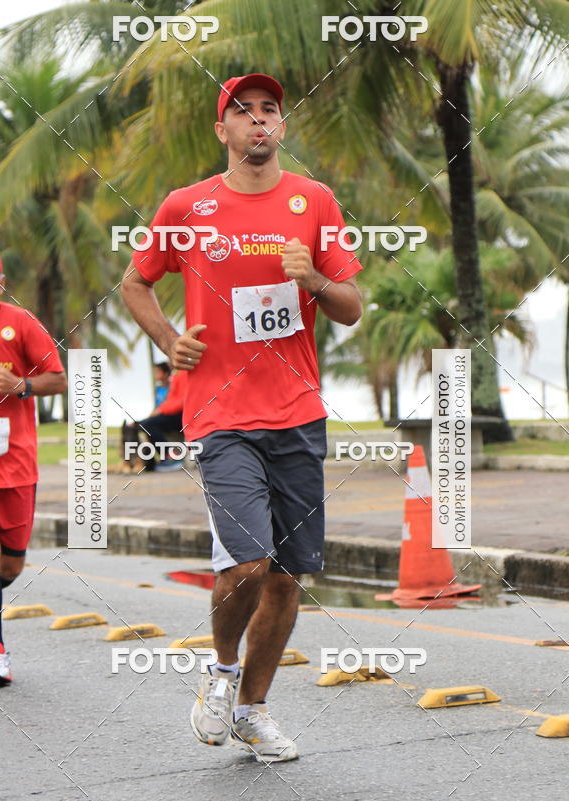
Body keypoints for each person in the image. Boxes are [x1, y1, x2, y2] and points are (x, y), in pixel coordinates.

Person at [121, 73, 362, 762]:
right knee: (248, 564)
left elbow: (350, 304)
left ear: (281, 127)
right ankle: (222, 672)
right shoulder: (186, 207)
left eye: (270, 111)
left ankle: (254, 711)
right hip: (220, 414)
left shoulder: (312, 201)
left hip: (297, 412)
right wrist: (170, 342)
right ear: (222, 131)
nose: (259, 121)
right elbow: (137, 281)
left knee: (287, 576)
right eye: (243, 112)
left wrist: (314, 279)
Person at [0, 247, 66, 687]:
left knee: (8, 568)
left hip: (16, 466)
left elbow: (60, 378)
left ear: (0, 283)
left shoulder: (21, 324)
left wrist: (20, 385)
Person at [137, 367, 186, 470]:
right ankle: (146, 462)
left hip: (183, 415)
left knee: (148, 424)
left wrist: (161, 410)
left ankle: (170, 456)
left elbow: (182, 401)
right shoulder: (176, 375)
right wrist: (160, 410)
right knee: (140, 424)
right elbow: (170, 401)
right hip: (170, 413)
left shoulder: (183, 373)